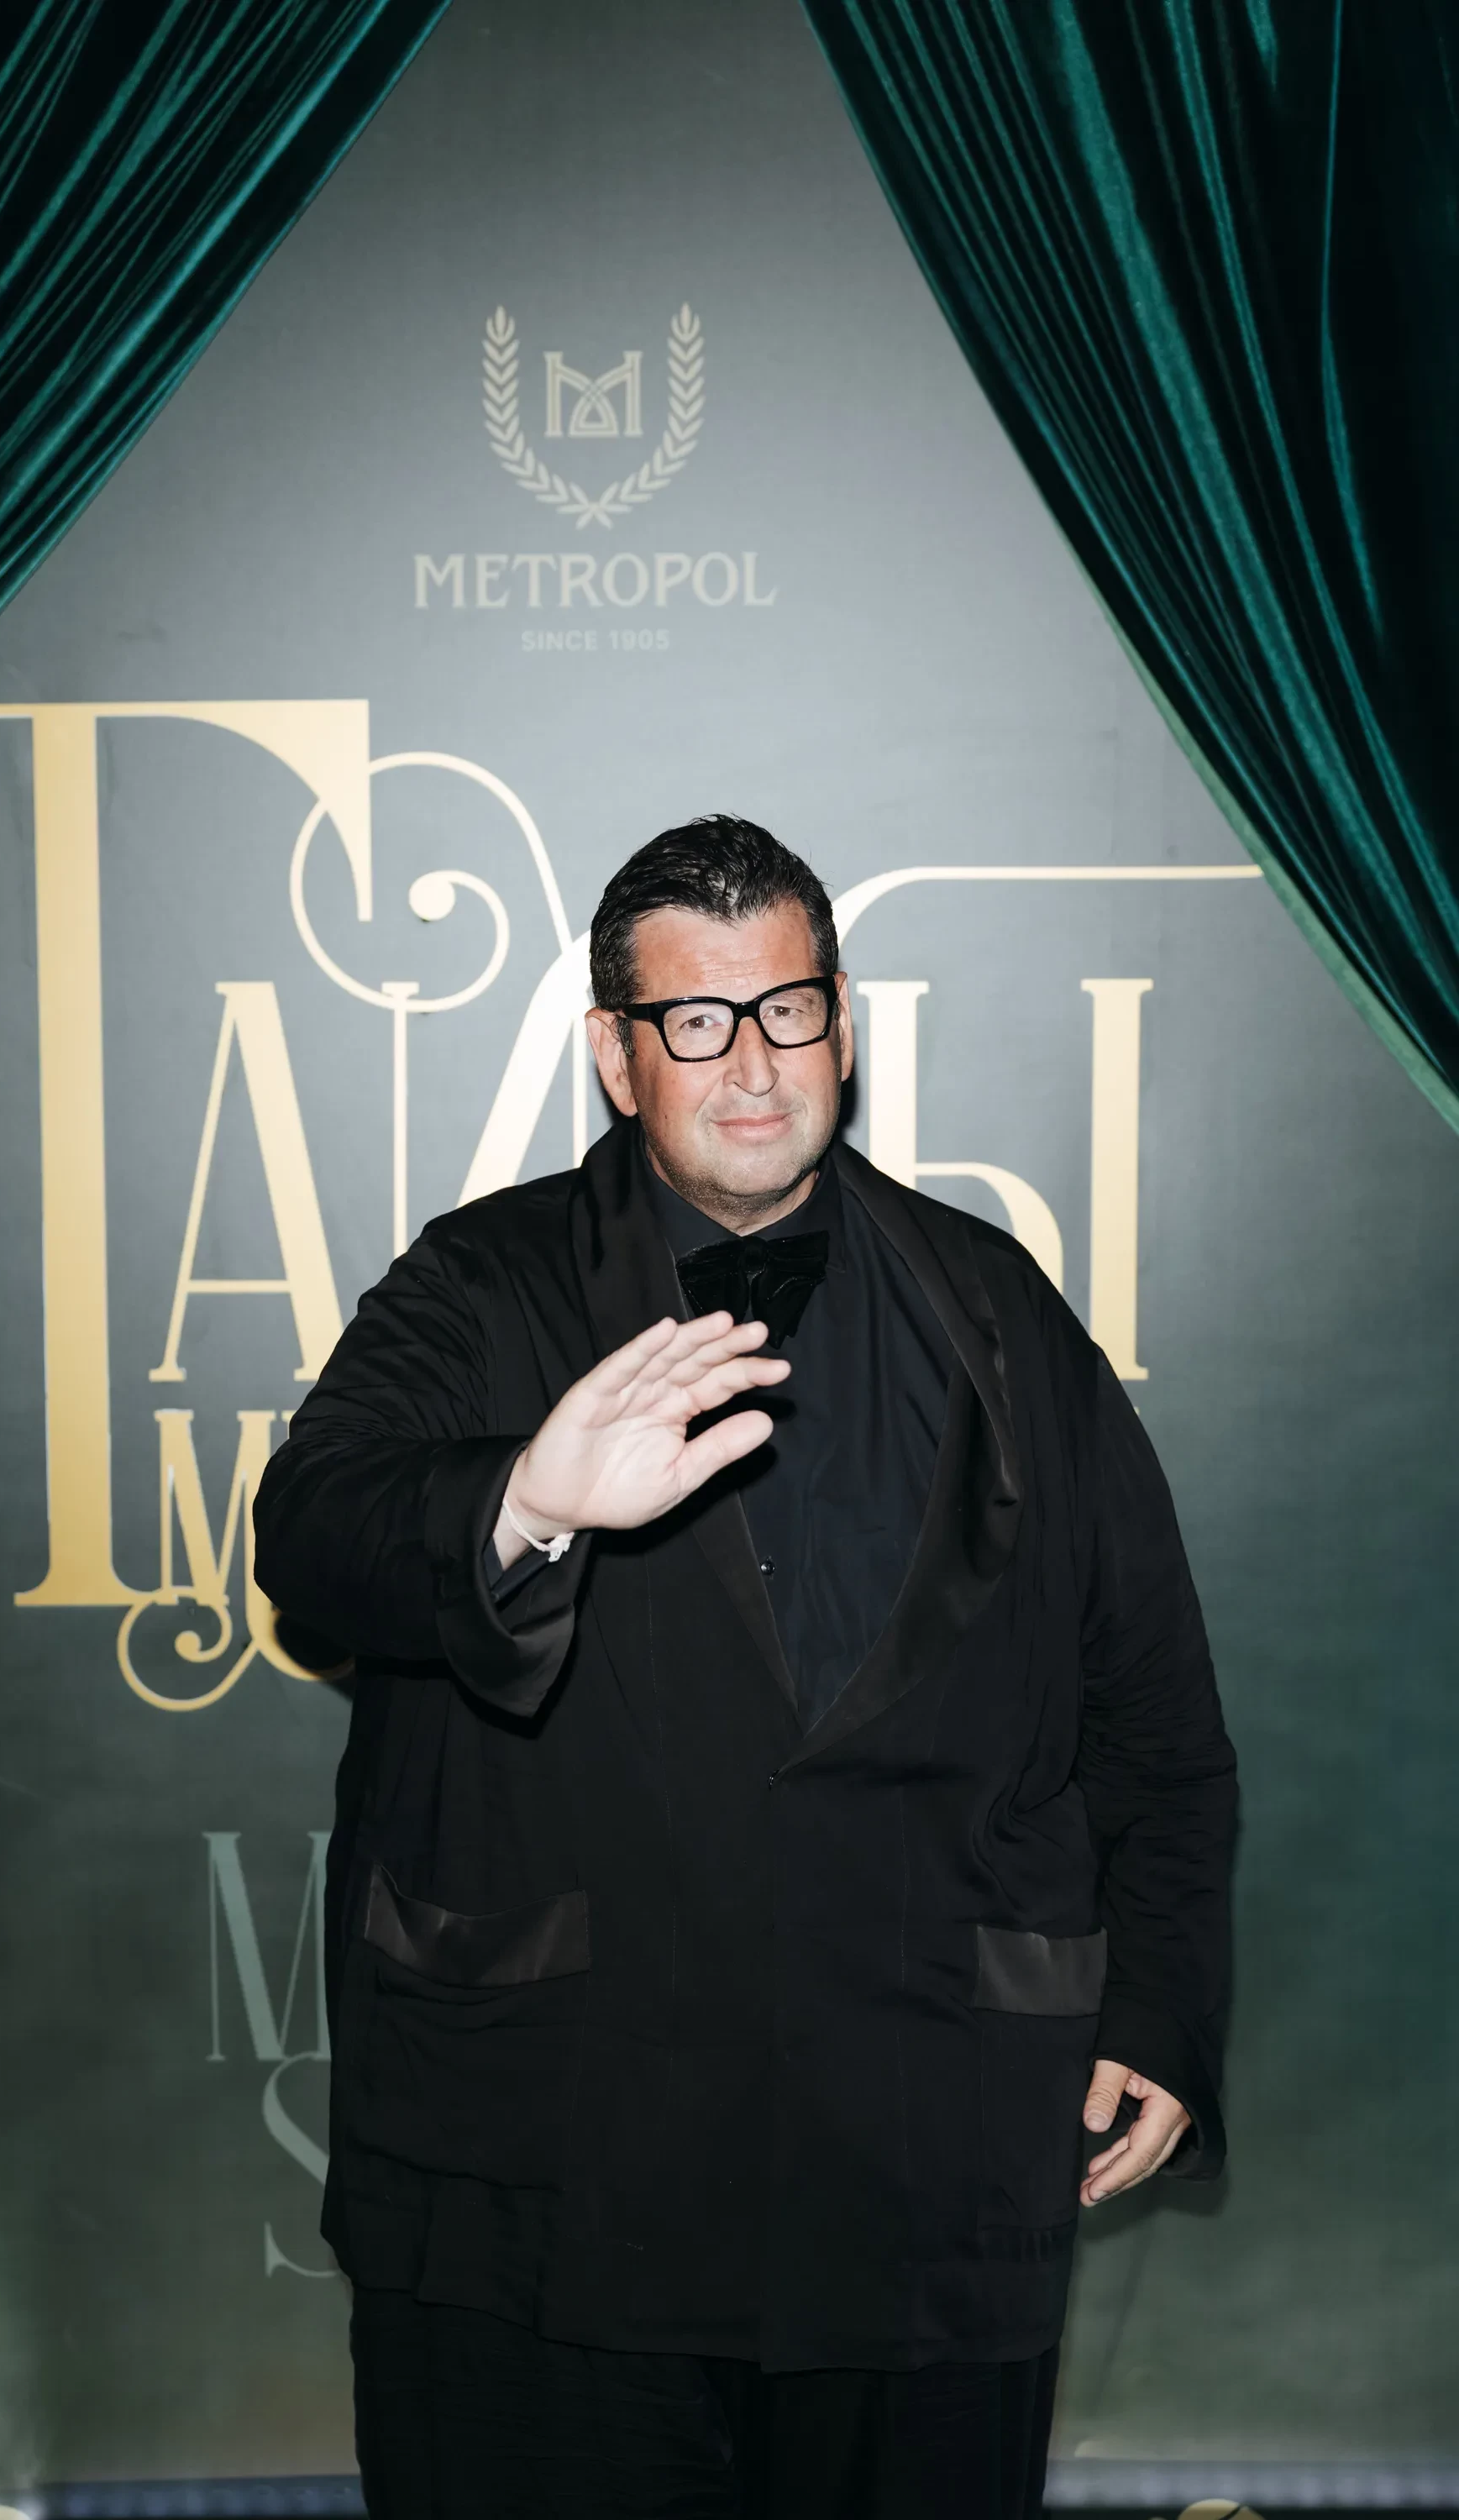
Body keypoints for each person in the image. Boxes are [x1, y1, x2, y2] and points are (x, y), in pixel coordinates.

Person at [254, 815, 1237, 2520]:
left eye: (786, 1010)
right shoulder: (481, 1283)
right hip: (547, 2180)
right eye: (696, 1022)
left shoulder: (996, 1308)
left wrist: (1156, 2004)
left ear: (842, 1026)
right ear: (615, 1056)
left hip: (924, 2170)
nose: (754, 1064)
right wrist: (526, 1498)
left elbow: (1149, 1707)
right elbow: (313, 1538)